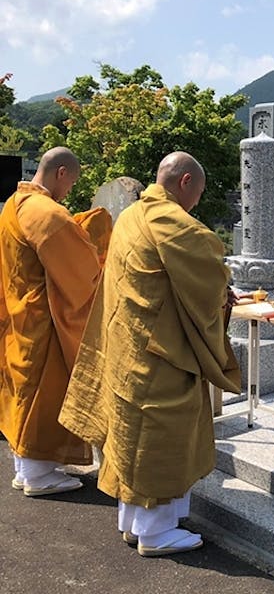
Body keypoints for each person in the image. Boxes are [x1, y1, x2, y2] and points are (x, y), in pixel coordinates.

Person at [60, 151, 241, 557]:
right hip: (164, 353)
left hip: (129, 349)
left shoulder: (130, 216)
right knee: (163, 438)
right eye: (198, 192)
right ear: (184, 184)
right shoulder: (178, 225)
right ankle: (156, 533)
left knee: (130, 438)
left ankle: (133, 521)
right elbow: (211, 280)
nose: (197, 201)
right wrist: (223, 298)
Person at [0, 147, 106, 496]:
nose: (70, 191)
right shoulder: (47, 213)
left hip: (19, 313)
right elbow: (83, 272)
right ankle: (38, 474)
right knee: (44, 394)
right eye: (71, 182)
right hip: (45, 320)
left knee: (22, 390)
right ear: (61, 172)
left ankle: (24, 466)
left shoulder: (14, 205)